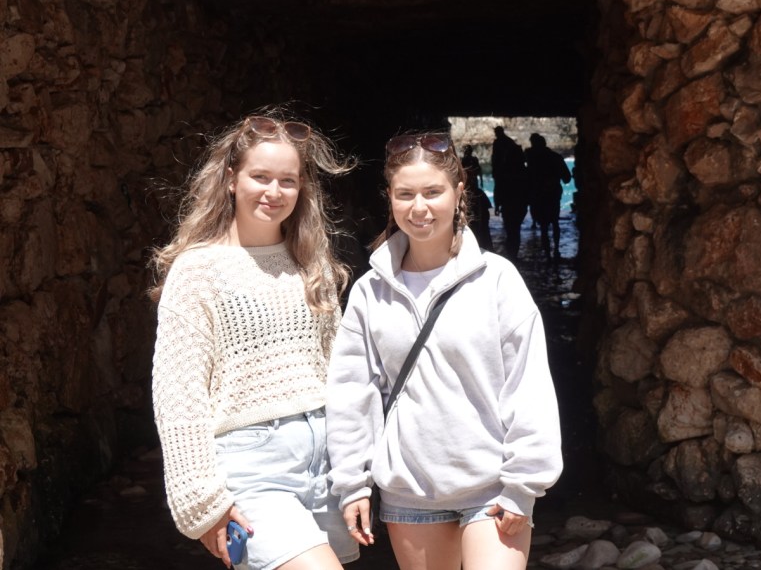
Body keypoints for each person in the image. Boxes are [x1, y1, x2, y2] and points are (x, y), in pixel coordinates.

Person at [326, 131, 563, 570]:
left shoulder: (498, 279)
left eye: (432, 192)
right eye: (405, 194)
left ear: (458, 192)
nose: (419, 207)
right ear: (390, 198)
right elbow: (352, 393)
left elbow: (528, 385)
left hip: (494, 487)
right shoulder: (369, 291)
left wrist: (524, 484)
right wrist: (353, 483)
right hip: (409, 493)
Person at [149, 109, 360, 570]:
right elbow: (178, 395)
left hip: (326, 463)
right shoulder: (198, 271)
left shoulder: (312, 264)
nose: (274, 192)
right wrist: (202, 501)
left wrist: (355, 473)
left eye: (288, 180)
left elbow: (341, 372)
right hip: (252, 466)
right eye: (260, 177)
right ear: (231, 178)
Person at [524, 133, 572, 260]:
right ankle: (556, 250)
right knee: (555, 222)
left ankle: (547, 254)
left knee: (544, 227)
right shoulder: (555, 157)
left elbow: (526, 177)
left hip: (538, 195)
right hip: (553, 194)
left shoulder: (531, 158)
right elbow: (567, 178)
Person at [461, 144, 494, 250]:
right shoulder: (470, 160)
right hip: (471, 186)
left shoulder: (465, 160)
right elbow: (478, 171)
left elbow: (474, 172)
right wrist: (481, 182)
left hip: (470, 186)